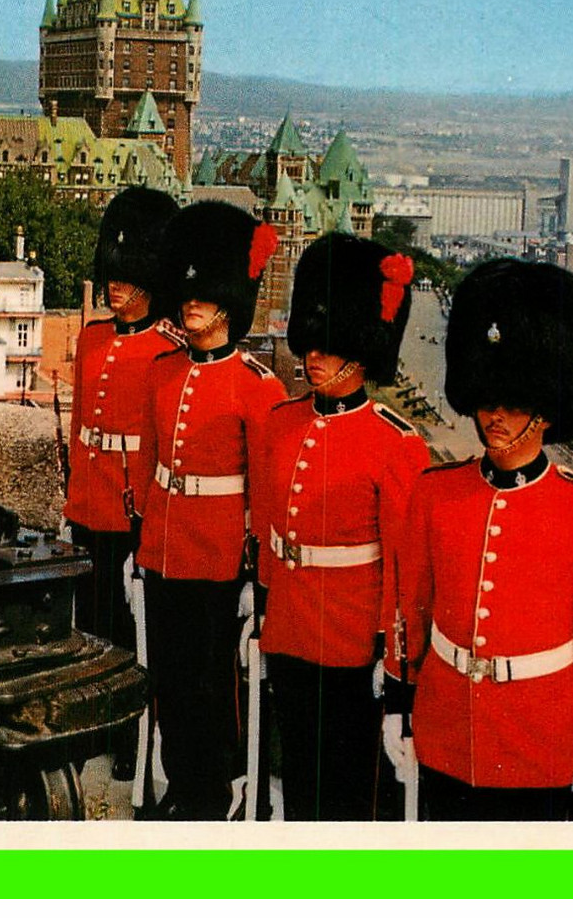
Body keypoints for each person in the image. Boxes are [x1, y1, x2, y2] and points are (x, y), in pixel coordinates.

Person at [385, 258, 573, 821]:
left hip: (538, 738)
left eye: (515, 402)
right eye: (488, 399)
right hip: (445, 726)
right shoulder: (434, 493)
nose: (495, 415)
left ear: (545, 413)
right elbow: (410, 608)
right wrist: (398, 703)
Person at [251, 233, 429, 821]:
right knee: (299, 778)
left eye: (329, 347)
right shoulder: (281, 423)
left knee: (347, 791)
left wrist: (394, 657)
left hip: (353, 642)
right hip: (289, 628)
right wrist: (261, 608)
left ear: (360, 353)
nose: (313, 359)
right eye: (312, 346)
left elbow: (404, 570)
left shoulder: (395, 445)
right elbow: (270, 531)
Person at [135, 200, 288, 820]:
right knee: (168, 680)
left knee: (209, 686)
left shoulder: (258, 387)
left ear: (229, 304)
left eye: (204, 297)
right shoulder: (163, 373)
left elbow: (269, 496)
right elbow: (150, 469)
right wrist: (141, 547)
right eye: (187, 294)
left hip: (220, 556)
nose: (190, 305)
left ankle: (211, 792)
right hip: (165, 550)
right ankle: (180, 787)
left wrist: (259, 578)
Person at [64, 185, 181, 781]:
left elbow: (163, 450)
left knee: (125, 638)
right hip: (89, 502)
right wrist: (71, 500)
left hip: (130, 513)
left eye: (127, 277)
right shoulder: (92, 338)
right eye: (113, 274)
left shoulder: (167, 353)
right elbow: (82, 424)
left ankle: (126, 740)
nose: (115, 286)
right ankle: (89, 730)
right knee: (87, 627)